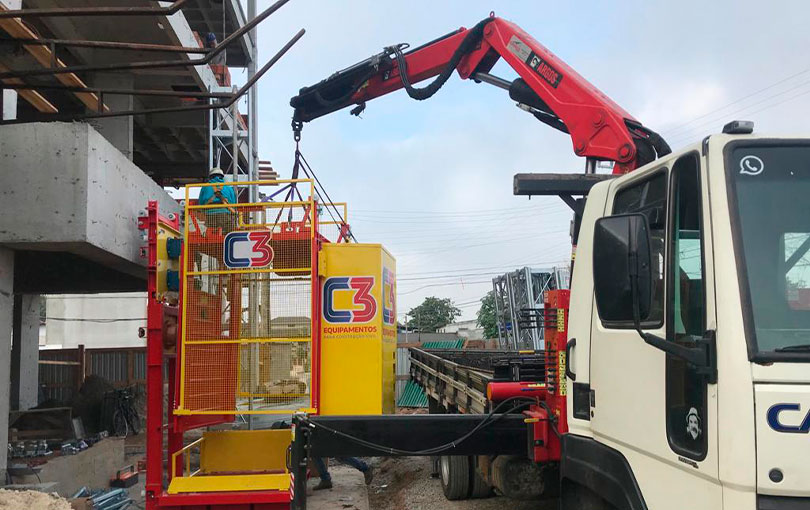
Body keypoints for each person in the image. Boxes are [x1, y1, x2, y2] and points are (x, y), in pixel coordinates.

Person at [198, 167, 236, 234]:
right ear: (222, 177)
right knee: (229, 235)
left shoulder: (205, 187)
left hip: (210, 216)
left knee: (211, 237)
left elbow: (200, 204)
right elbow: (233, 204)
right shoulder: (228, 188)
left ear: (210, 177)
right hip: (225, 215)